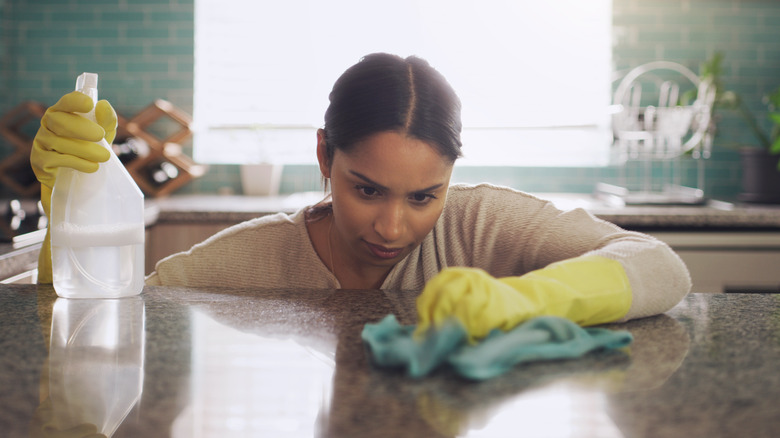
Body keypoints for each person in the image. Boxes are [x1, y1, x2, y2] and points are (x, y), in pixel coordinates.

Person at [31, 53, 691, 337]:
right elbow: (93, 319)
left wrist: (526, 296)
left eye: (425, 196)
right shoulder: (252, 258)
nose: (394, 227)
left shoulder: (483, 224)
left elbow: (662, 266)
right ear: (324, 156)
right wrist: (68, 204)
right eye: (367, 189)